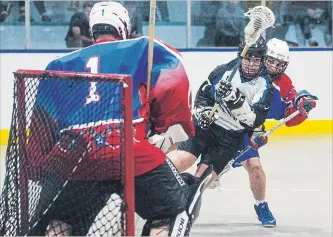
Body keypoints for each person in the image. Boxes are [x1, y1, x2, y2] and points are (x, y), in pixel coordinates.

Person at [24, 1, 212, 236]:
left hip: (74, 157)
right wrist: (168, 129)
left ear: (93, 29)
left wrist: (38, 169)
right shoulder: (144, 47)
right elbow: (174, 81)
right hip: (129, 151)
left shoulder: (58, 65)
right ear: (122, 27)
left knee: (61, 220)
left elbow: (41, 131)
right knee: (174, 208)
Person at [229, 38, 317, 227]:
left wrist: (301, 105)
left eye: (279, 63)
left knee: (256, 168)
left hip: (247, 131)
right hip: (224, 127)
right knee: (208, 173)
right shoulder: (246, 73)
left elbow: (290, 113)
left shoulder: (282, 82)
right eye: (271, 61)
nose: (275, 66)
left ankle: (261, 206)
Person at [170, 36, 274, 187]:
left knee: (200, 181)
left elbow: (255, 120)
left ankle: (181, 206)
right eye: (247, 58)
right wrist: (203, 112)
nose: (251, 64)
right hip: (205, 126)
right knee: (182, 159)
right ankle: (148, 186)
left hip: (229, 139)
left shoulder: (265, 86)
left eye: (256, 60)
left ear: (263, 60)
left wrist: (235, 99)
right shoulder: (223, 71)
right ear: (241, 56)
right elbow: (202, 97)